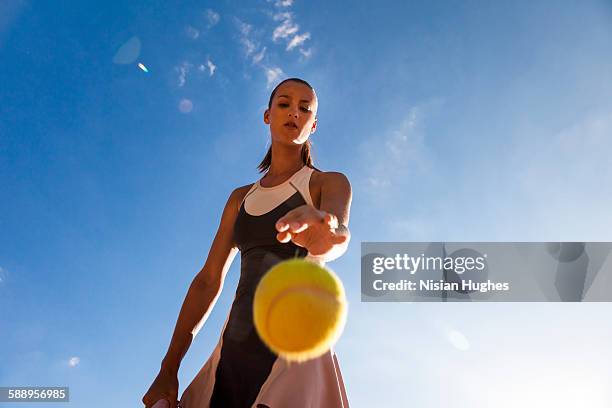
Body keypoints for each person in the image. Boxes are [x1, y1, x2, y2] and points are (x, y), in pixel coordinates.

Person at [142, 78, 352, 408]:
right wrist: (168, 369)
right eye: (284, 104)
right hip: (233, 353)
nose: (294, 113)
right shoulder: (240, 199)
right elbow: (207, 281)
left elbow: (337, 234)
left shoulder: (328, 182)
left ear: (314, 125)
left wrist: (323, 234)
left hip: (295, 351)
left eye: (304, 108)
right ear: (267, 116)